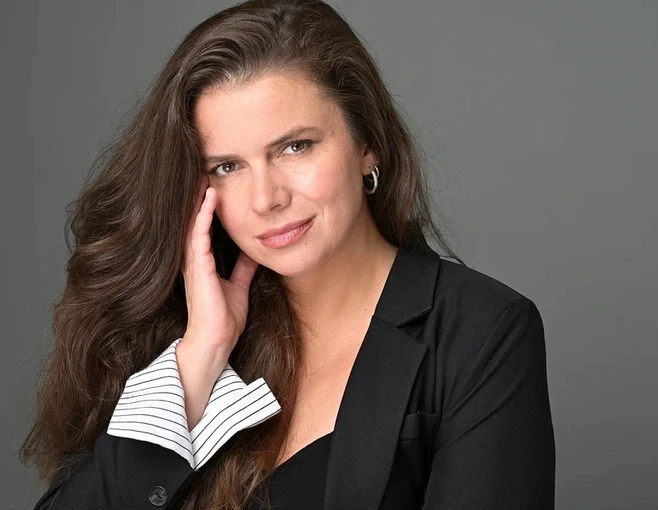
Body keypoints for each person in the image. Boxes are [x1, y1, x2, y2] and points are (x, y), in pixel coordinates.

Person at [20, 0, 556, 508]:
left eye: (295, 147)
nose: (266, 199)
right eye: (226, 167)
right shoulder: (178, 332)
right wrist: (200, 357)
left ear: (367, 143)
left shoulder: (480, 332)